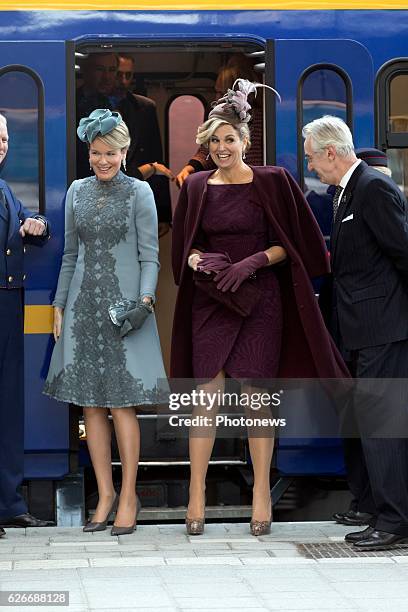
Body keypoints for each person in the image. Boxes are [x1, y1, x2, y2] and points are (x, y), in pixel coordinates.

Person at [171, 82, 349, 537]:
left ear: (245, 142)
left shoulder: (272, 180)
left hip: (261, 300)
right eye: (214, 140)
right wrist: (198, 259)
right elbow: (185, 249)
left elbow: (293, 244)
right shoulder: (193, 186)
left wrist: (254, 260)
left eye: (230, 138)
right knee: (204, 398)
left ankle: (261, 494)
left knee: (257, 399)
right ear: (206, 144)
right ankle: (196, 494)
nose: (221, 147)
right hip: (213, 298)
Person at [44, 109, 166, 536]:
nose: (102, 160)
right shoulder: (76, 191)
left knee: (121, 403)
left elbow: (149, 255)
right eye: (96, 152)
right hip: (82, 307)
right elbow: (70, 255)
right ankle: (106, 494)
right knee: (91, 405)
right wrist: (59, 305)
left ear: (125, 151)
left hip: (125, 310)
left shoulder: (141, 193)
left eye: (110, 153)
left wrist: (145, 302)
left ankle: (129, 494)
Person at [303, 115, 408, 550]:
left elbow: (403, 252)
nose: (311, 167)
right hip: (360, 329)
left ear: (331, 152)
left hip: (382, 327)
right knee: (371, 424)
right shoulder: (346, 192)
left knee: (382, 426)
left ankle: (394, 523)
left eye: (312, 158)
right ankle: (384, 514)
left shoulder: (372, 188)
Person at [0, 113, 52, 536]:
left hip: (8, 303)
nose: (1, 145)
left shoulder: (3, 189)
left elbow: (26, 218)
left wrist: (39, 224)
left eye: (3, 138)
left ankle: (9, 502)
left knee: (8, 405)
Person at [76, 53, 173, 227]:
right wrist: (148, 170)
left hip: (133, 207)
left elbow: (155, 156)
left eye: (112, 70)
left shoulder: (142, 108)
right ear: (85, 70)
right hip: (86, 205)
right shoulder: (69, 106)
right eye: (100, 69)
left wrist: (162, 214)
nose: (107, 77)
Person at [175, 54, 263, 188]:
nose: (216, 98)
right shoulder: (217, 119)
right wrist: (190, 167)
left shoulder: (259, 120)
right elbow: (206, 151)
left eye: (221, 94)